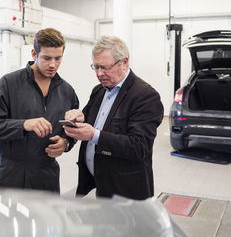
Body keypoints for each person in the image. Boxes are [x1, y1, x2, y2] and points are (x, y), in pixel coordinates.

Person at [0, 28, 79, 193]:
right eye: (46, 58)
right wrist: (23, 125)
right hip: (13, 177)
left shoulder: (67, 91)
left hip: (48, 178)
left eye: (58, 58)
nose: (53, 64)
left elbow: (71, 129)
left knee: (47, 219)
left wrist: (66, 142)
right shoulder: (8, 84)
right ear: (34, 54)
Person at [64, 35, 163, 200]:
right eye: (95, 67)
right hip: (98, 185)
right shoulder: (99, 91)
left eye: (105, 67)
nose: (99, 73)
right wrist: (77, 117)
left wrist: (94, 135)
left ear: (124, 62)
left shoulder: (145, 96)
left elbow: (139, 147)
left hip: (126, 191)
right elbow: (86, 119)